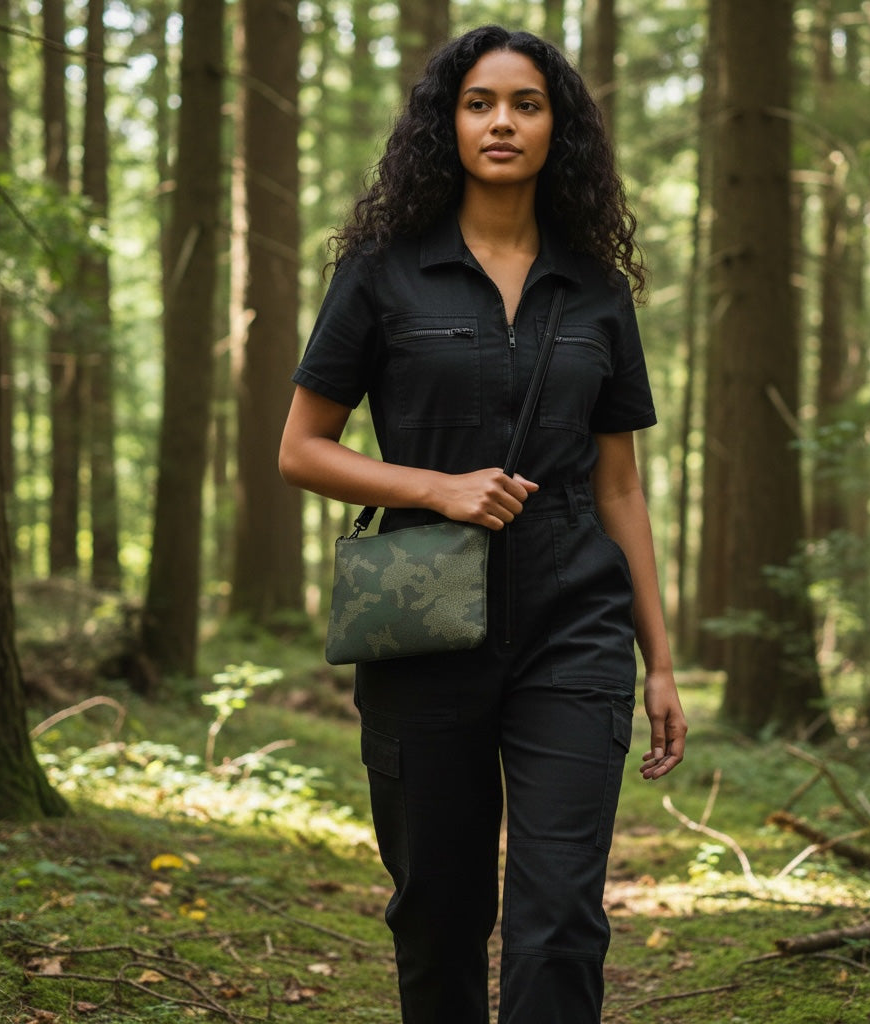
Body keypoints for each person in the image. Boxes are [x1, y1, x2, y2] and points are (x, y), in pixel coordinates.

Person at [279, 24, 687, 1024]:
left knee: (558, 918)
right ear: (446, 123)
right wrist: (438, 487)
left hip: (575, 626)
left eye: (526, 103)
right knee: (440, 910)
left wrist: (661, 659)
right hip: (425, 625)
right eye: (477, 102)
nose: (500, 120)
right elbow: (301, 447)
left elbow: (620, 485)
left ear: (559, 129)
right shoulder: (381, 271)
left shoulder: (596, 289)